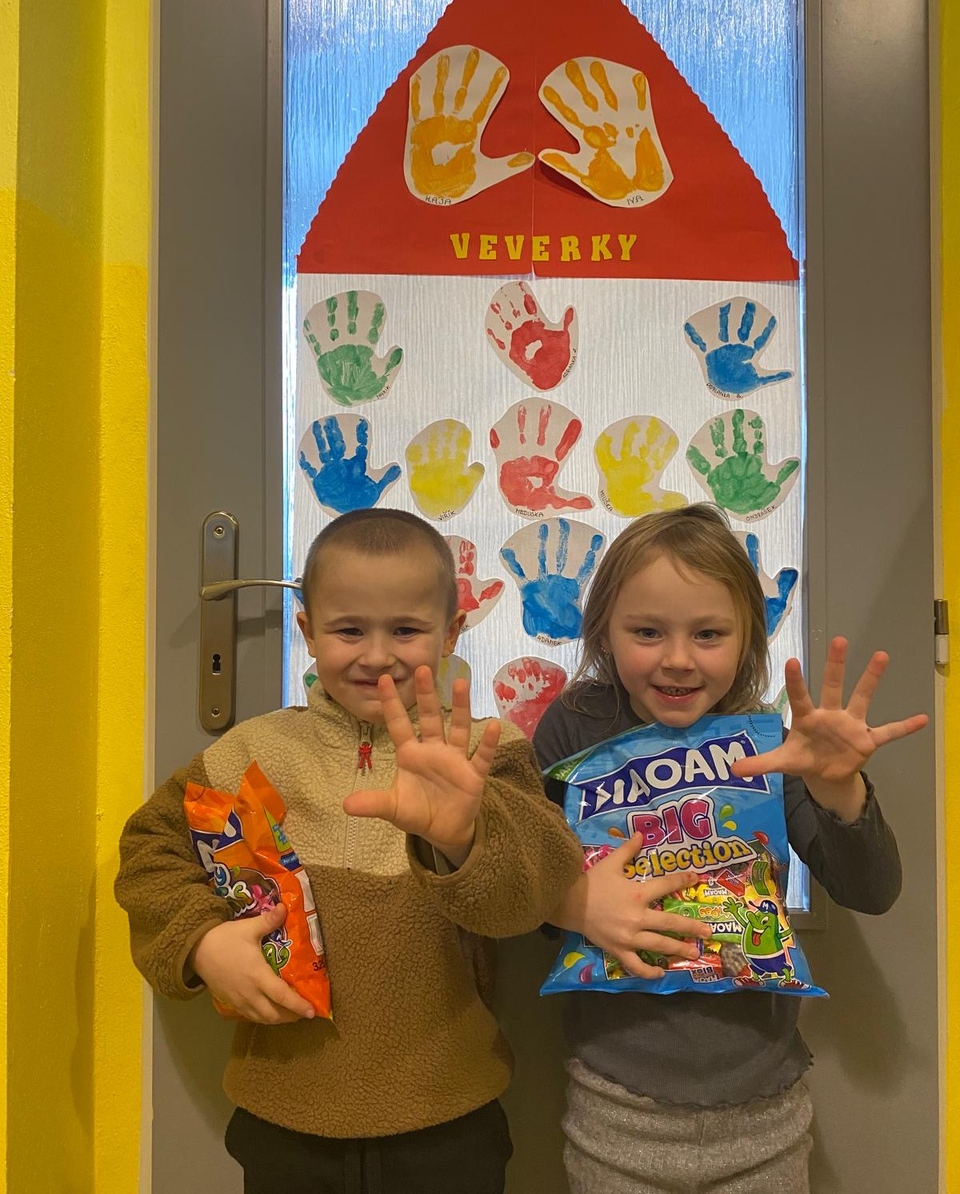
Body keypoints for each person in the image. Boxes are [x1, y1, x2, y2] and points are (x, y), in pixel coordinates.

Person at [115, 508, 582, 1194]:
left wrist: (463, 836)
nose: (376, 655)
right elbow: (149, 849)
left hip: (449, 1114)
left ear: (452, 632)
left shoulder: (486, 752)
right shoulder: (250, 752)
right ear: (307, 632)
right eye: (349, 630)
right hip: (282, 1113)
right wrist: (202, 942)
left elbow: (532, 897)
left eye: (406, 630)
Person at [533, 503, 927, 1194]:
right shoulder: (575, 727)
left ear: (748, 639)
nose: (678, 659)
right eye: (647, 632)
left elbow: (872, 890)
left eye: (709, 633)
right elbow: (517, 887)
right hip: (612, 1103)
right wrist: (572, 903)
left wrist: (838, 789)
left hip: (765, 1110)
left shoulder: (772, 743)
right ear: (603, 631)